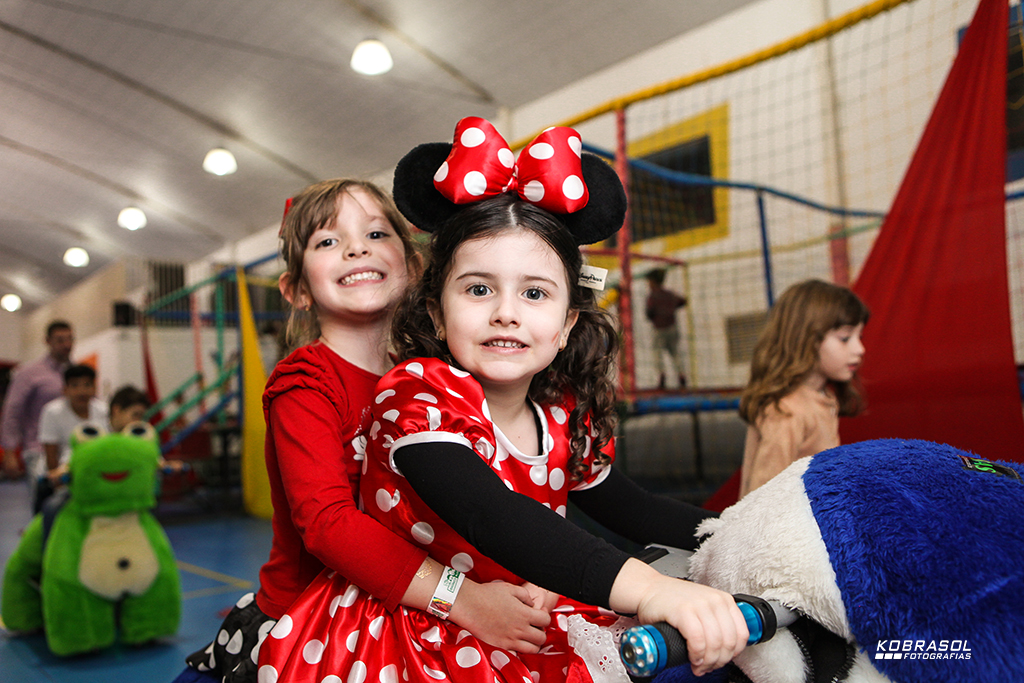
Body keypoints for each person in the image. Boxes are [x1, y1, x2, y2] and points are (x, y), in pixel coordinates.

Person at [258, 118, 748, 683]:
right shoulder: (415, 391)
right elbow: (479, 514)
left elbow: (627, 505)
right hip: (406, 618)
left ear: (568, 323)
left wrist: (748, 530)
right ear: (437, 308)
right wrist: (650, 588)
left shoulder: (553, 406)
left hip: (515, 604)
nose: (506, 312)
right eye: (479, 289)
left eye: (534, 292)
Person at [180, 179, 550, 683]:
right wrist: (462, 599)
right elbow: (328, 524)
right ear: (298, 291)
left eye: (376, 234)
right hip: (315, 625)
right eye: (327, 242)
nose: (356, 248)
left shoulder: (441, 374)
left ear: (415, 264)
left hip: (424, 613)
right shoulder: (306, 384)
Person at [738, 279, 869, 498]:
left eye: (860, 337)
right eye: (845, 338)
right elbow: (761, 501)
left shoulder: (822, 398)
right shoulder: (786, 412)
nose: (860, 348)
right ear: (807, 339)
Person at [0, 321, 74, 480]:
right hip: (38, 451)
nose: (67, 345)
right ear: (47, 341)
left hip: (71, 449)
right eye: (60, 340)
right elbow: (13, 411)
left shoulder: (76, 373)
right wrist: (9, 452)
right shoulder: (28, 373)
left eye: (70, 339)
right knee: (44, 502)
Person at [645, 268, 688, 389]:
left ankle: (661, 375)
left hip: (659, 329)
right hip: (672, 328)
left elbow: (649, 312)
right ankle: (681, 375)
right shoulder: (669, 294)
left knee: (657, 353)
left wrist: (656, 315)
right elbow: (683, 301)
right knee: (675, 353)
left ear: (653, 282)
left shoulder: (652, 296)